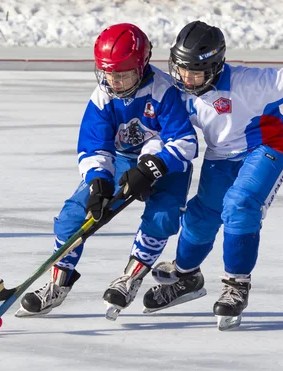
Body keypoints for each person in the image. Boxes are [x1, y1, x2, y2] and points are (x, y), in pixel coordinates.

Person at [142, 21, 283, 330]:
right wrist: (148, 163)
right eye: (180, 70)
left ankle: (236, 285)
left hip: (266, 147)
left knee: (239, 205)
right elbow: (167, 132)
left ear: (215, 67)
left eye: (195, 73)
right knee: (199, 216)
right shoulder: (179, 92)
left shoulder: (248, 83)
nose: (186, 79)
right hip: (221, 155)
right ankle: (186, 277)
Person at [15, 23, 198, 320]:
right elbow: (94, 144)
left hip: (167, 163)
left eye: (123, 75)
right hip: (122, 160)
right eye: (109, 74)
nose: (115, 82)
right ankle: (58, 282)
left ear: (142, 67)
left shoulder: (164, 91)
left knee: (162, 217)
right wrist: (98, 181)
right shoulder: (103, 96)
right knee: (73, 216)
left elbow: (185, 141)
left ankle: (131, 277)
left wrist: (152, 166)